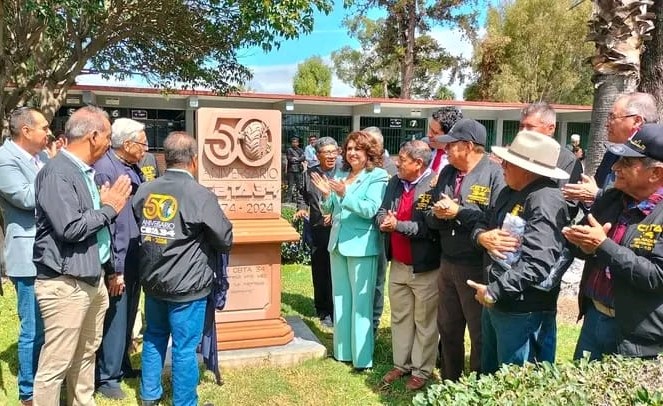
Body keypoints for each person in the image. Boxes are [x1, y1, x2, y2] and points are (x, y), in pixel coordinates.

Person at [32, 105, 132, 405]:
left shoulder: (83, 172)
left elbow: (87, 222)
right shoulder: (57, 173)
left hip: (91, 277)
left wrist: (110, 268)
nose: (110, 142)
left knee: (86, 354)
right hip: (65, 283)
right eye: (108, 135)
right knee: (56, 364)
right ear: (93, 136)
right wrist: (108, 208)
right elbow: (70, 228)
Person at [133, 131, 233, 405]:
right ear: (194, 160)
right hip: (187, 287)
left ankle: (149, 395)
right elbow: (224, 238)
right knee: (184, 347)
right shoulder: (199, 194)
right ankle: (185, 402)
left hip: (153, 280)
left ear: (166, 158)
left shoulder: (145, 189)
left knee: (154, 336)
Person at [467, 130, 570, 373]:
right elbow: (484, 222)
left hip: (524, 309)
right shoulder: (509, 191)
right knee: (491, 376)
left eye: (508, 162)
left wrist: (495, 290)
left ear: (527, 168)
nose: (502, 166)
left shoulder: (545, 199)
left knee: (517, 381)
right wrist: (482, 237)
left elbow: (538, 264)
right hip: (499, 301)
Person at [563, 123, 663, 360]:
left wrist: (603, 245)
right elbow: (586, 246)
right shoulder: (612, 198)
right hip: (594, 318)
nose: (616, 167)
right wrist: (582, 244)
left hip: (635, 335)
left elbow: (657, 277)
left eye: (627, 163)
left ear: (656, 173)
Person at [426, 119, 505, 381]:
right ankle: (451, 382)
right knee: (447, 328)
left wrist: (458, 212)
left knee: (479, 332)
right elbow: (431, 213)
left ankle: (477, 385)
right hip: (447, 262)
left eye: (452, 146)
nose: (445, 151)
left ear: (469, 146)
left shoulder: (495, 174)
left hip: (476, 265)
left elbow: (494, 219)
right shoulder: (448, 173)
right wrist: (438, 214)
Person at [310, 130, 388, 370]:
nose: (352, 153)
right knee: (341, 300)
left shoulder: (378, 176)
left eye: (358, 149)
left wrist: (344, 193)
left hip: (362, 246)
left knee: (361, 304)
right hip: (337, 244)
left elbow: (369, 209)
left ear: (369, 152)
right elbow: (331, 208)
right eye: (350, 148)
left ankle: (362, 358)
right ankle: (342, 351)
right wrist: (327, 196)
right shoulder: (342, 173)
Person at [377, 140, 440, 391]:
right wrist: (383, 220)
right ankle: (401, 364)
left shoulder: (434, 184)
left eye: (402, 159)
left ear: (418, 163)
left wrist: (398, 226)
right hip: (399, 264)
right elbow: (383, 210)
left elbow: (431, 228)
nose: (396, 162)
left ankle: (421, 370)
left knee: (425, 321)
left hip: (424, 267)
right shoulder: (395, 181)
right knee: (401, 317)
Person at [93, 118, 147, 399]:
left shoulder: (131, 166)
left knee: (128, 314)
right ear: (126, 144)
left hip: (135, 255)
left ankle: (122, 364)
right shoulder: (105, 168)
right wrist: (114, 269)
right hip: (119, 259)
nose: (146, 147)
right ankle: (106, 376)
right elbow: (110, 224)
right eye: (142, 142)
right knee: (114, 317)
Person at [0, 107, 50, 405]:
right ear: (26, 131)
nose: (49, 132)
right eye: (44, 127)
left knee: (48, 324)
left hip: (48, 254)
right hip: (26, 255)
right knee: (32, 328)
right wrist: (58, 183)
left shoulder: (42, 158)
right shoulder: (4, 160)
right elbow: (26, 198)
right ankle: (28, 392)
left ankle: (44, 382)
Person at [563, 93, 658, 206]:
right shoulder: (611, 155)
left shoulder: (655, 157)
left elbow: (645, 205)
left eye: (613, 117)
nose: (607, 124)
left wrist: (597, 194)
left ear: (637, 121)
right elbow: (595, 195)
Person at [295, 137, 339, 328]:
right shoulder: (309, 173)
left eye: (333, 152)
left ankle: (338, 308)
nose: (330, 156)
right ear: (317, 155)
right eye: (326, 152)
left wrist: (335, 213)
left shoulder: (344, 172)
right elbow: (301, 194)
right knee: (320, 270)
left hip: (339, 228)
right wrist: (302, 207)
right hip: (317, 229)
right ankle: (323, 310)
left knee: (337, 270)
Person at [519, 102, 583, 218]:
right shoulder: (517, 155)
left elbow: (569, 206)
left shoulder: (568, 161)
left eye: (529, 127)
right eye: (521, 126)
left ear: (551, 129)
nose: (523, 132)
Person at [362, 126, 396, 333]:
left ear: (380, 145)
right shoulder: (359, 166)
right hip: (360, 233)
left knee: (376, 281)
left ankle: (372, 326)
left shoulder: (392, 169)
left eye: (371, 143)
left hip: (382, 234)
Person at [427, 107, 464, 179]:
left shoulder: (459, 161)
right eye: (429, 129)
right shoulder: (422, 149)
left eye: (435, 132)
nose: (429, 134)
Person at [286, 137, 306, 203]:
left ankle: (299, 199)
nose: (294, 143)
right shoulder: (289, 150)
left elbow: (303, 158)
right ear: (291, 143)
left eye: (296, 142)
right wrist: (297, 159)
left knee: (299, 185)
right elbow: (289, 158)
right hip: (291, 170)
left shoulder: (300, 150)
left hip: (298, 169)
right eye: (293, 142)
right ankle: (288, 199)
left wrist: (297, 159)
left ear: (298, 143)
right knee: (290, 185)